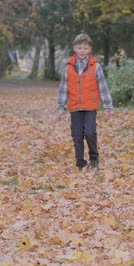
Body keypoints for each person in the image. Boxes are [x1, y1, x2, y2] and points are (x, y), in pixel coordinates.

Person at [56, 33, 113, 171]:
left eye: (85, 48)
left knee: (90, 133)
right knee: (76, 135)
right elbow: (64, 88)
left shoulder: (95, 66)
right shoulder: (68, 67)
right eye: (79, 47)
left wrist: (107, 107)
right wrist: (60, 107)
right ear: (74, 48)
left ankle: (94, 158)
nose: (82, 50)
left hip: (90, 106)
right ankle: (80, 162)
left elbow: (103, 87)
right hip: (75, 106)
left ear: (90, 50)